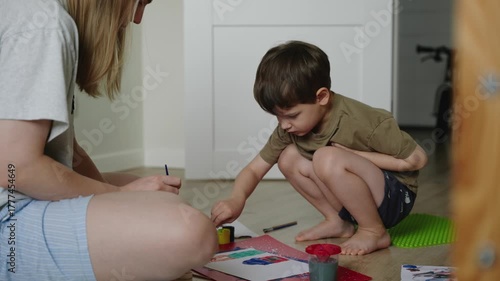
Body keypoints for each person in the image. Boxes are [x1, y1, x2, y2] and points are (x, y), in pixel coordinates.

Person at [0, 0, 217, 280]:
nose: (138, 19)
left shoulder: (40, 13)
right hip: (10, 224)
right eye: (140, 3)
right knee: (192, 233)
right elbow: (16, 168)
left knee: (147, 189)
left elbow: (67, 151)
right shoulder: (47, 24)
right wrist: (123, 197)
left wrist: (124, 194)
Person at [210, 40, 428, 256]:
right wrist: (237, 198)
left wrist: (352, 155)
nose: (284, 124)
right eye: (278, 116)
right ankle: (338, 222)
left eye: (292, 115)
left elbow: (417, 159)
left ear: (321, 97)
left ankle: (374, 230)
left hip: (396, 196)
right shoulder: (288, 129)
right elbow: (254, 170)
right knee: (288, 157)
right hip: (360, 195)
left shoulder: (363, 121)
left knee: (326, 157)